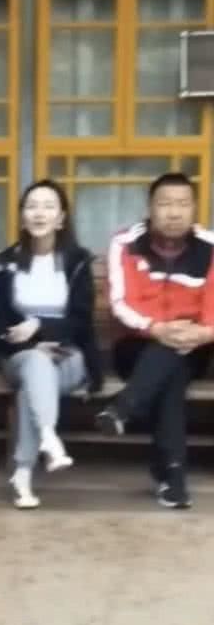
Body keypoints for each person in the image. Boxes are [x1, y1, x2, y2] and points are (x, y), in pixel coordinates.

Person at [96, 172, 214, 509]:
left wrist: (204, 333)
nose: (174, 213)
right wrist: (156, 329)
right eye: (165, 204)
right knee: (169, 370)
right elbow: (120, 304)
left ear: (194, 209)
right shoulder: (125, 243)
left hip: (195, 345)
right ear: (150, 208)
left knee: (171, 367)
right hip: (135, 344)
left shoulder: (210, 246)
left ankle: (124, 408)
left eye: (182, 204)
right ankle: (173, 477)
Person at [0, 179, 103, 509]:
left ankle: (23, 471)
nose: (39, 213)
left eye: (49, 206)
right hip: (20, 357)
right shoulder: (6, 262)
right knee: (36, 365)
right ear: (22, 216)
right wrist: (25, 343)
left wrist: (39, 327)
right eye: (32, 206)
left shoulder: (77, 261)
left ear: (61, 218)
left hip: (68, 356)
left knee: (33, 386)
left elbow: (80, 320)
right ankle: (49, 437)